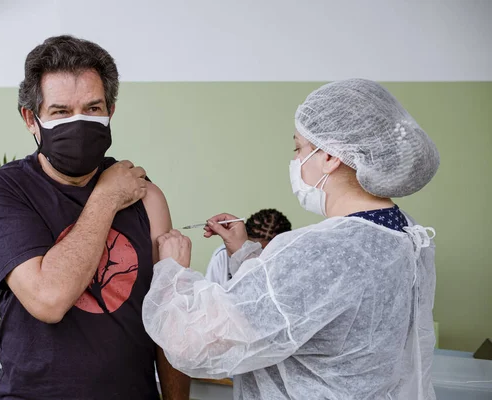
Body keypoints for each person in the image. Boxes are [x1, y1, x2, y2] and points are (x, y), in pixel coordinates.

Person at [142, 79, 439, 399]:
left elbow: (195, 344)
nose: (296, 161)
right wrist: (244, 254)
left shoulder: (323, 252)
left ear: (330, 157)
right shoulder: (403, 234)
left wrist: (173, 270)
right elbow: (308, 308)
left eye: (299, 148)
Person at [0, 35, 189, 399]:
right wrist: (105, 196)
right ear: (31, 119)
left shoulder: (144, 195)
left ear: (111, 111)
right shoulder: (5, 189)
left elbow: (167, 324)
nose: (79, 122)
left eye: (92, 108)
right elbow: (48, 300)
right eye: (60, 111)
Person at [205, 209, 291, 285]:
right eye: (253, 250)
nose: (259, 257)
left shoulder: (289, 261)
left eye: (264, 252)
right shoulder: (222, 255)